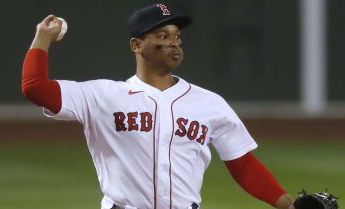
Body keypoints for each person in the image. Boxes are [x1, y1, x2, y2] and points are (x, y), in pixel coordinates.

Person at [22, 3, 295, 209]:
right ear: (136, 45)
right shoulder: (103, 95)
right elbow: (35, 88)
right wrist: (42, 38)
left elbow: (243, 164)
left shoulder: (209, 103)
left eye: (176, 35)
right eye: (162, 35)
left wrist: (288, 204)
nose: (174, 42)